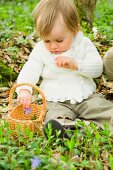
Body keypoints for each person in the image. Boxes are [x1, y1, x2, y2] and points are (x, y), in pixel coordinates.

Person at [16, 0, 113, 139]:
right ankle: (67, 130)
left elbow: (97, 68)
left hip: (86, 97)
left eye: (59, 40)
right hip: (55, 101)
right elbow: (30, 68)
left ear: (74, 30)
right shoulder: (40, 50)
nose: (53, 46)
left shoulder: (83, 43)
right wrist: (25, 89)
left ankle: (89, 126)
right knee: (52, 118)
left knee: (106, 110)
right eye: (47, 41)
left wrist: (77, 65)